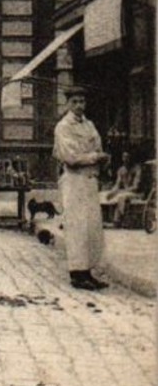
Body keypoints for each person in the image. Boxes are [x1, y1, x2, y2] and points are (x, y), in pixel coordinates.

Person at [54, 86, 109, 290]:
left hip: (90, 180)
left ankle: (88, 271)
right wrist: (94, 157)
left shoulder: (89, 125)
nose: (79, 106)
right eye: (75, 102)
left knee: (91, 228)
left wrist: (96, 156)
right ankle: (77, 274)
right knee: (77, 226)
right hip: (74, 180)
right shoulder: (63, 127)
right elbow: (70, 157)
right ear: (68, 103)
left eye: (82, 102)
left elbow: (98, 146)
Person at [104, 152, 143, 227]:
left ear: (131, 158)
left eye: (127, 157)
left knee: (121, 197)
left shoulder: (137, 168)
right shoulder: (121, 170)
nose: (126, 159)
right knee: (105, 195)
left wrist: (119, 191)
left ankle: (118, 220)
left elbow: (135, 187)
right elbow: (117, 184)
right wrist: (112, 192)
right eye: (124, 157)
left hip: (136, 193)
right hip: (126, 192)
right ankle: (106, 218)